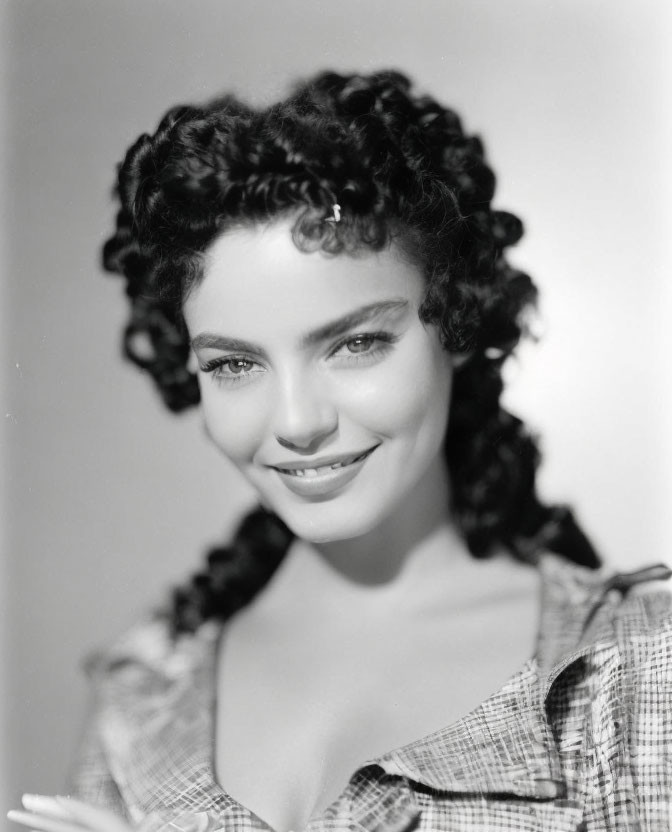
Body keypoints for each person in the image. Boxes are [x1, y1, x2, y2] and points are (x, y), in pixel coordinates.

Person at [8, 70, 672, 832]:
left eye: (356, 344)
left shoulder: (633, 670)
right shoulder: (144, 694)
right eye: (234, 364)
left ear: (456, 324)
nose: (296, 421)